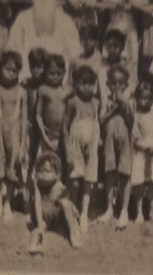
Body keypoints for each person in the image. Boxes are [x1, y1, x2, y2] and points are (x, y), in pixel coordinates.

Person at [7, 0, 81, 80]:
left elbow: (75, 52)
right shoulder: (23, 17)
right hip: (28, 73)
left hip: (57, 75)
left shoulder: (66, 20)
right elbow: (13, 48)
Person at [0, 51, 28, 221]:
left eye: (15, 70)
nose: (11, 73)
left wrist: (23, 145)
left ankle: (8, 204)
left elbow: (24, 119)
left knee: (11, 169)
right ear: (0, 69)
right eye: (7, 69)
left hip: (14, 132)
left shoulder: (22, 92)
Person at [63, 66, 100, 233]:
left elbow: (97, 123)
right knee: (75, 180)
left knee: (88, 179)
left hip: (91, 144)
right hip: (75, 144)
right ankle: (72, 211)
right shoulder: (72, 102)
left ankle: (84, 212)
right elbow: (65, 127)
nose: (87, 87)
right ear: (75, 84)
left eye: (90, 84)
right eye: (82, 83)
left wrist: (98, 139)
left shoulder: (96, 103)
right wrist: (68, 152)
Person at [97, 65, 134, 229]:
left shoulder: (130, 100)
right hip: (109, 139)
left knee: (125, 173)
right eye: (114, 83)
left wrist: (123, 104)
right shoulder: (105, 100)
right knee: (110, 172)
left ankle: (124, 210)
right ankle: (109, 208)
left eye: (121, 83)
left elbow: (131, 122)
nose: (117, 86)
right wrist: (112, 110)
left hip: (125, 139)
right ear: (108, 84)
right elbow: (101, 120)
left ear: (126, 84)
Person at [28, 152, 82, 254]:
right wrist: (39, 223)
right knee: (39, 229)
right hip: (43, 216)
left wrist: (72, 206)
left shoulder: (59, 186)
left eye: (47, 171)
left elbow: (68, 201)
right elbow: (37, 204)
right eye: (40, 171)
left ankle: (74, 233)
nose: (43, 174)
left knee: (65, 203)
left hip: (56, 217)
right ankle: (34, 243)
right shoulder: (38, 187)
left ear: (57, 175)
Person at [131, 73, 153, 224]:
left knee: (152, 185)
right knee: (139, 185)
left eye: (149, 98)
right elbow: (134, 138)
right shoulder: (136, 116)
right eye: (142, 98)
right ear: (137, 98)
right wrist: (143, 148)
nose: (145, 101)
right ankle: (139, 211)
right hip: (141, 153)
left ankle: (151, 212)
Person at [100, 0, 142, 79]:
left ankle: (130, 89)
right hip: (114, 28)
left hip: (129, 30)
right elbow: (102, 6)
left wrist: (133, 6)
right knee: (111, 59)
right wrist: (116, 5)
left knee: (130, 60)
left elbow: (140, 11)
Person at [36, 54, 70, 158]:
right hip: (47, 134)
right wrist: (44, 137)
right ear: (45, 73)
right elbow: (38, 115)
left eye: (58, 73)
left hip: (64, 135)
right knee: (47, 163)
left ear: (64, 73)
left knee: (64, 163)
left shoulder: (68, 91)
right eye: (51, 73)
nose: (55, 77)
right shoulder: (43, 90)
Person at [23, 47, 48, 172]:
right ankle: (24, 184)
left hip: (43, 126)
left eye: (40, 67)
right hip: (29, 124)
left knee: (40, 157)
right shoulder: (26, 84)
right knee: (27, 154)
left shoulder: (47, 85)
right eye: (33, 66)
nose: (36, 70)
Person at [98, 29, 132, 109]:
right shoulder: (100, 65)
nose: (113, 49)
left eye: (116, 46)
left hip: (123, 101)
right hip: (104, 101)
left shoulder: (127, 66)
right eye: (110, 46)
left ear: (123, 47)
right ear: (105, 46)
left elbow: (130, 88)